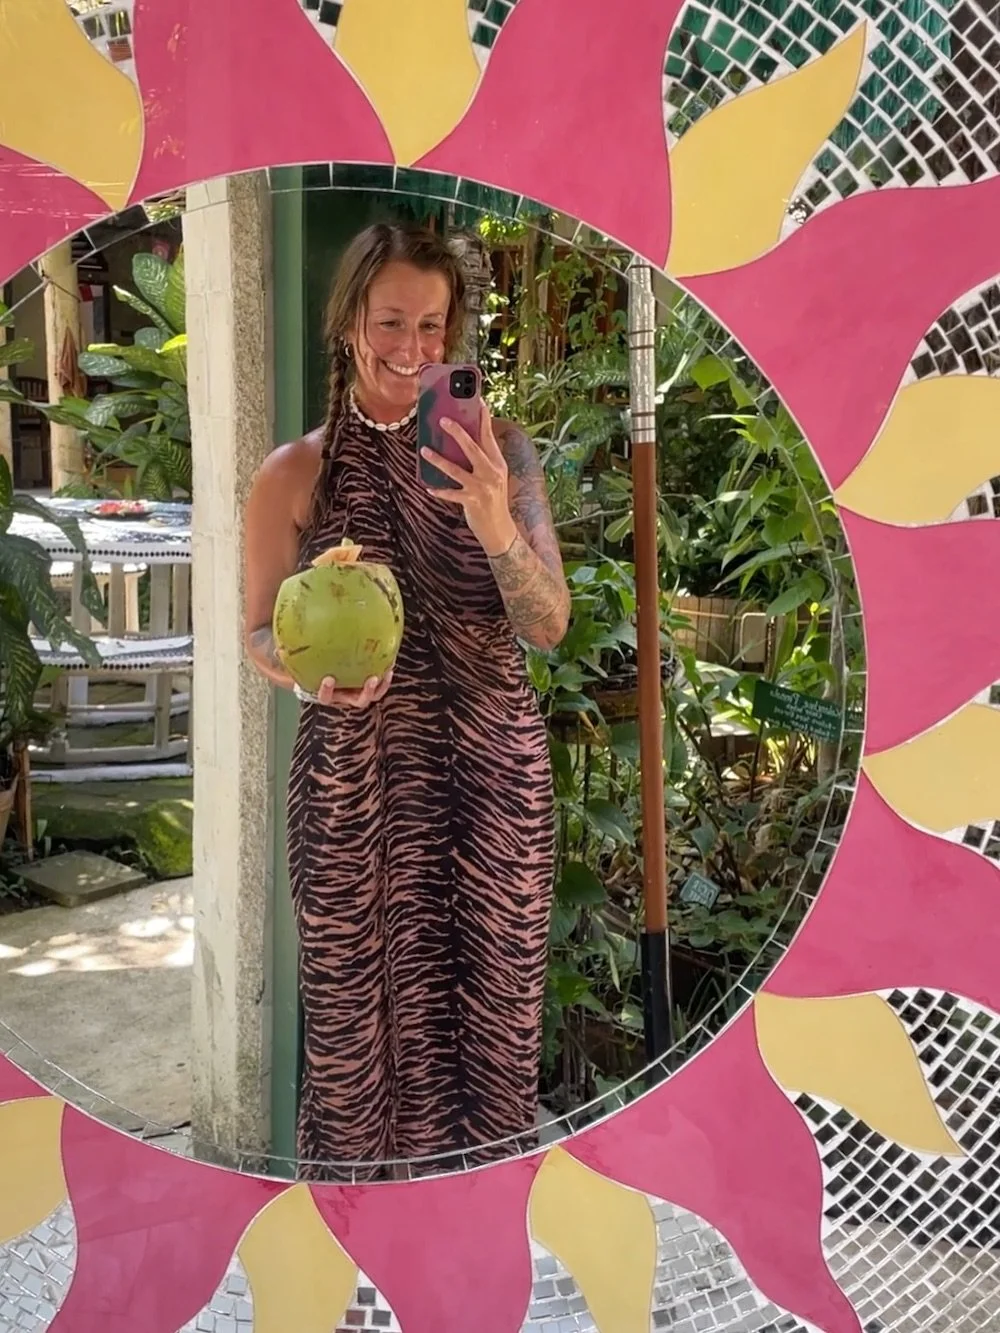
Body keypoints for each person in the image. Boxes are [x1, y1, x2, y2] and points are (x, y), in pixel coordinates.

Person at [244, 222, 570, 1181]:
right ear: (348, 320)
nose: (412, 347)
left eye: (433, 325)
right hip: (355, 785)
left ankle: (470, 1241)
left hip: (491, 781)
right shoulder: (294, 472)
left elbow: (548, 624)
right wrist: (303, 671)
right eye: (390, 321)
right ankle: (354, 1245)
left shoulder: (501, 452)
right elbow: (256, 630)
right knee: (353, 1038)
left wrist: (495, 520)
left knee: (493, 1033)